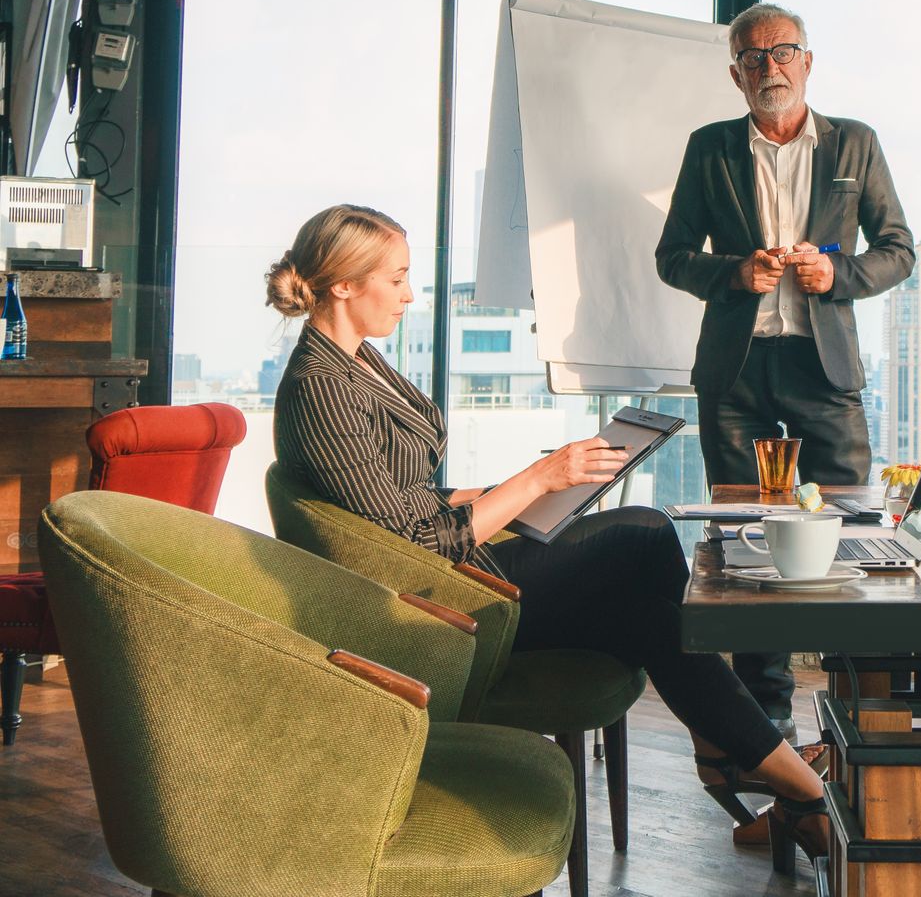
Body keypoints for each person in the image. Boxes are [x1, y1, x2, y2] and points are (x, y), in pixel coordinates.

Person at [268, 204, 831, 862]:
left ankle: (770, 771)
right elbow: (412, 545)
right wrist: (537, 480)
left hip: (457, 567)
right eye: (396, 279)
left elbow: (406, 499)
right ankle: (765, 769)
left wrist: (529, 483)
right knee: (646, 533)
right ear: (344, 284)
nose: (409, 294)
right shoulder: (321, 386)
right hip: (442, 604)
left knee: (650, 614)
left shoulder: (355, 361)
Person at [656, 1, 915, 740]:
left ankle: (861, 718)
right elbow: (672, 256)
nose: (770, 67)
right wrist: (736, 272)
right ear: (735, 73)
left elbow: (898, 248)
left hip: (822, 365)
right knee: (745, 541)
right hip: (734, 373)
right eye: (754, 57)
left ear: (807, 61)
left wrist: (838, 275)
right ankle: (762, 729)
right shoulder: (709, 148)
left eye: (783, 52)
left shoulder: (853, 145)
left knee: (856, 527)